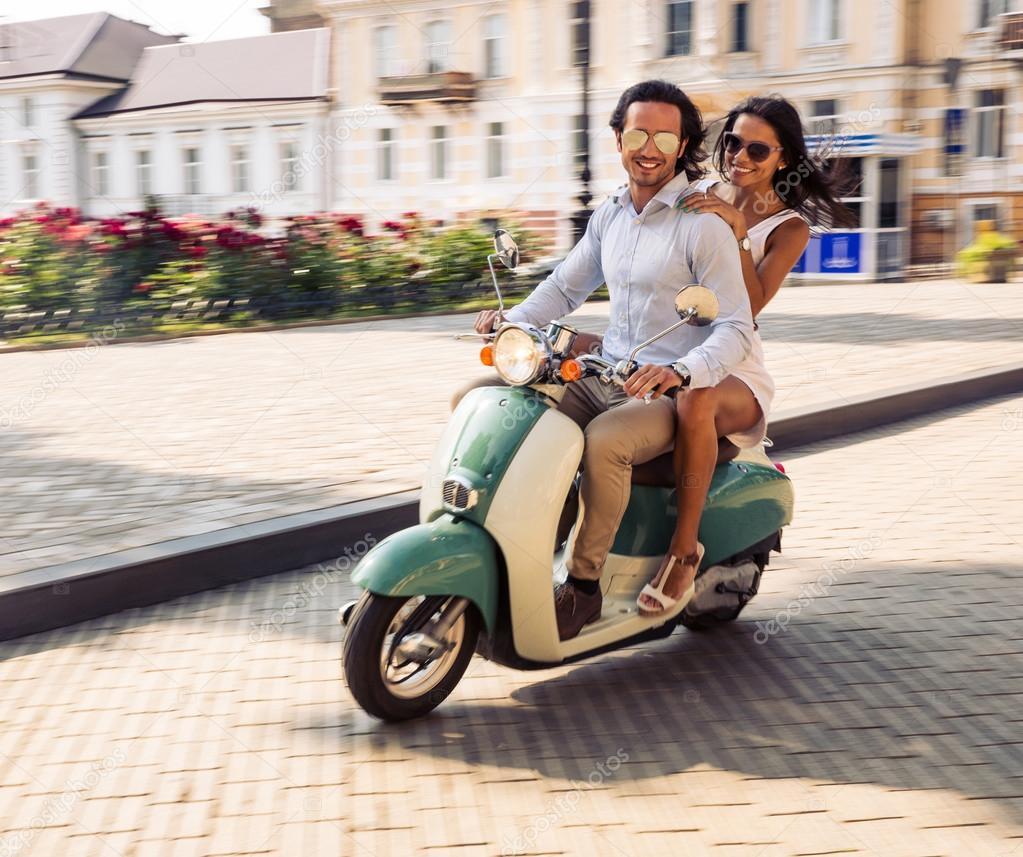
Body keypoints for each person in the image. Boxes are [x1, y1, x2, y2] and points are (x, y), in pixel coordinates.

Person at [473, 79, 764, 640]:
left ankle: (582, 589)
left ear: (682, 147)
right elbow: (562, 288)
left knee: (605, 442)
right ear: (618, 138)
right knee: (496, 401)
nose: (648, 146)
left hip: (666, 390)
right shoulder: (609, 216)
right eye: (636, 132)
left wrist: (681, 371)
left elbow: (736, 325)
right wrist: (514, 322)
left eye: (663, 135)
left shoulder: (701, 224)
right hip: (605, 370)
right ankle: (522, 544)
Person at [635, 95, 857, 616]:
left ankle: (684, 552)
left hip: (733, 367)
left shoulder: (788, 228)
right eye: (733, 142)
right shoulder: (698, 193)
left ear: (783, 159)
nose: (741, 156)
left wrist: (736, 229)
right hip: (668, 342)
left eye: (758, 149)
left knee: (696, 401)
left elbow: (750, 305)